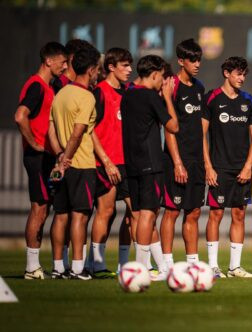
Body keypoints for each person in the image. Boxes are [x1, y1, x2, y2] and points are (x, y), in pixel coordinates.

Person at [121, 55, 179, 281]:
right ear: (155, 74)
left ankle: (163, 268)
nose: (163, 82)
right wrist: (166, 97)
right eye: (162, 78)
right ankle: (140, 268)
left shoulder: (128, 95)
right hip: (151, 163)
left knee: (143, 215)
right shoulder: (150, 96)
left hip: (132, 164)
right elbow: (173, 126)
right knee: (148, 215)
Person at [203, 56, 252, 278]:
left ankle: (235, 267)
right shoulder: (212, 98)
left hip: (242, 169)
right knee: (216, 214)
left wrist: (248, 166)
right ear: (226, 73)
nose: (242, 78)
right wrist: (208, 166)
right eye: (238, 73)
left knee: (239, 214)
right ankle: (212, 266)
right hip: (219, 167)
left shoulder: (249, 101)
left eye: (244, 74)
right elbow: (202, 135)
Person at [15, 41, 67, 279]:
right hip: (36, 157)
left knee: (44, 207)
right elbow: (20, 116)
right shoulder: (36, 85)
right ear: (49, 61)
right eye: (62, 62)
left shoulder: (49, 86)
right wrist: (33, 143)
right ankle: (31, 267)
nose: (65, 67)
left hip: (45, 156)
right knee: (38, 207)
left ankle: (34, 265)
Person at [49, 46, 102, 280]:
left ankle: (58, 266)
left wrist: (59, 155)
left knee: (61, 215)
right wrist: (68, 158)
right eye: (97, 70)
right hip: (80, 164)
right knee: (80, 216)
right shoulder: (86, 96)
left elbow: (51, 128)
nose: (98, 75)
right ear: (90, 70)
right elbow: (79, 132)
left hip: (62, 163)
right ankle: (79, 269)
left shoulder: (61, 93)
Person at [160, 39, 206, 267]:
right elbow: (169, 128)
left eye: (199, 59)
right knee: (172, 211)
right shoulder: (171, 86)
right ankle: (167, 264)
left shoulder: (199, 88)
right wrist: (177, 162)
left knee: (194, 211)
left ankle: (192, 263)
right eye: (192, 60)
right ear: (181, 61)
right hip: (176, 160)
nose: (197, 64)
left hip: (196, 160)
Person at [89, 47, 134, 278]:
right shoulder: (99, 92)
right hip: (106, 163)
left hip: (127, 163)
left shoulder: (128, 92)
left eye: (130, 65)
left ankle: (124, 265)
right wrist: (106, 161)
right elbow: (89, 129)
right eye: (125, 65)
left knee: (133, 212)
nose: (129, 69)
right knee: (105, 212)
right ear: (111, 67)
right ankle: (95, 263)